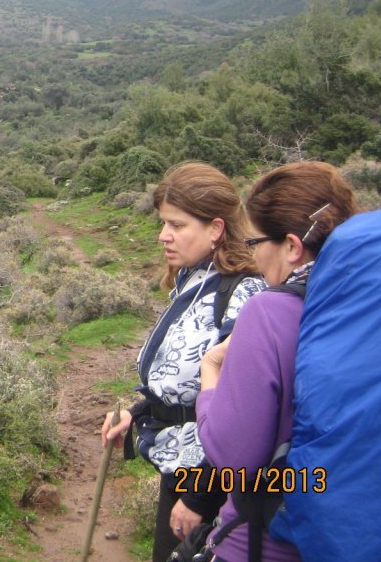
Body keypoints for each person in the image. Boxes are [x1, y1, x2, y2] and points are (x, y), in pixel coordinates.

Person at [102, 161, 266, 562]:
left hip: (207, 478)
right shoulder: (193, 278)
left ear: (216, 228)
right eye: (164, 223)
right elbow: (183, 380)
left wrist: (199, 497)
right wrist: (137, 411)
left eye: (177, 224)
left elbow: (242, 410)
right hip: (178, 463)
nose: (163, 235)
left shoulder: (244, 294)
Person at [196, 162, 359, 562]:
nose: (254, 256)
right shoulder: (369, 307)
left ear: (291, 246)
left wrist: (210, 371)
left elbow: (233, 458)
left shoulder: (269, 312)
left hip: (265, 544)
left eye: (255, 242)